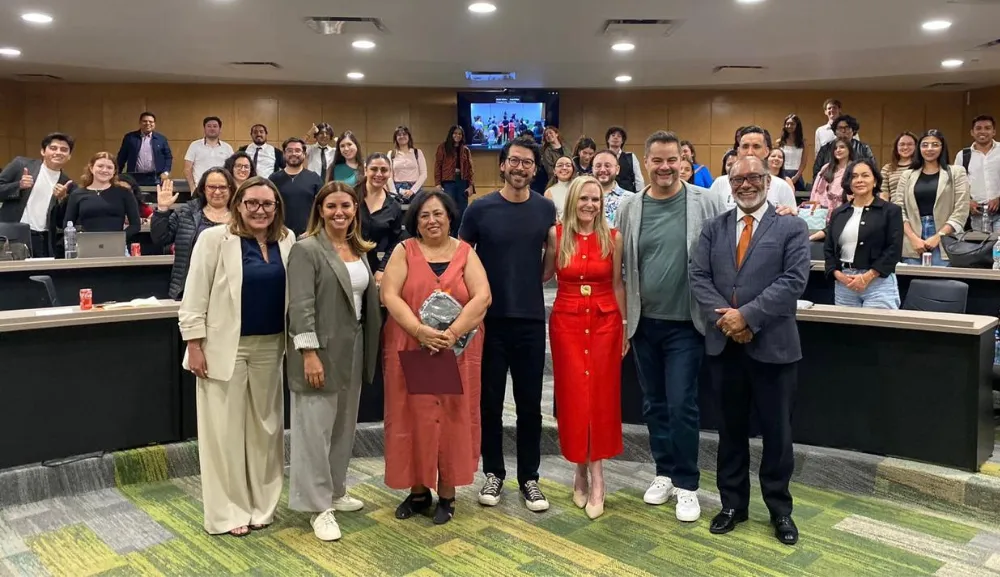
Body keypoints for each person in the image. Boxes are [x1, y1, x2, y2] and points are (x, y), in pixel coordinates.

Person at [689, 155, 810, 546]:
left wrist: (747, 317)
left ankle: (780, 511)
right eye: (737, 178)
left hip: (774, 348)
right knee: (731, 432)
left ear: (767, 180)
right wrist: (728, 321)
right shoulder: (713, 228)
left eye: (753, 177)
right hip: (726, 349)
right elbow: (698, 277)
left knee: (778, 434)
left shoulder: (791, 227)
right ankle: (732, 505)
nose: (745, 184)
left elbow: (793, 281)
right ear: (729, 181)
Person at [614, 131, 727, 523]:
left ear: (684, 161)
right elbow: (622, 266)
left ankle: (688, 484)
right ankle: (663, 473)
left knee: (682, 405)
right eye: (657, 161)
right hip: (645, 324)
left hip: (687, 324)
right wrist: (625, 321)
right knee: (654, 404)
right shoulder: (630, 206)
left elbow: (724, 253)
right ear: (646, 163)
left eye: (672, 160)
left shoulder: (705, 201)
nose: (665, 167)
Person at [178, 176, 294, 537]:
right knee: (223, 433)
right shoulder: (213, 239)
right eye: (252, 203)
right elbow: (193, 296)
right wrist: (194, 345)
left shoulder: (287, 240)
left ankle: (263, 504)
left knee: (266, 430)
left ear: (276, 208)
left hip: (271, 346)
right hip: (222, 349)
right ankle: (228, 512)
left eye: (267, 204)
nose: (260, 210)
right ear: (238, 205)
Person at [381, 190, 491, 525]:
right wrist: (419, 331)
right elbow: (389, 294)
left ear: (450, 217)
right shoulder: (405, 251)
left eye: (438, 214)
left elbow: (482, 296)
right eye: (425, 215)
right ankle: (417, 492)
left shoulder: (465, 252)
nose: (432, 220)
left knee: (452, 420)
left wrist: (452, 333)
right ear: (415, 219)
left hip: (454, 353)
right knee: (413, 418)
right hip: (413, 349)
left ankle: (447, 494)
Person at [459, 136, 556, 512]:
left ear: (535, 169)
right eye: (514, 161)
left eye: (527, 163)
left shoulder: (545, 208)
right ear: (502, 165)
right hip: (490, 323)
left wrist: (536, 280)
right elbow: (462, 261)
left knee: (530, 405)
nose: (520, 168)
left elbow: (550, 261)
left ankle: (529, 478)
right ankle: (493, 472)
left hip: (531, 320)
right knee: (490, 402)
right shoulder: (479, 209)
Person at [286, 181, 381, 542]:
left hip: (354, 346)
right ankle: (316, 507)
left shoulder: (359, 249)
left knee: (343, 425)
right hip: (319, 351)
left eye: (346, 206)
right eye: (331, 207)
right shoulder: (306, 249)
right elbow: (300, 306)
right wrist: (308, 353)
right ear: (320, 210)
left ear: (356, 209)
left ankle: (336, 491)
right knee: (315, 431)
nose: (339, 213)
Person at [544, 176, 626, 520]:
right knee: (575, 396)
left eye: (596, 199)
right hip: (567, 323)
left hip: (606, 322)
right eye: (584, 199)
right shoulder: (556, 236)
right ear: (572, 201)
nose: (590, 205)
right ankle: (579, 466)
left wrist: (624, 328)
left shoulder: (614, 237)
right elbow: (544, 274)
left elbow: (618, 282)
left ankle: (598, 477)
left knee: (602, 398)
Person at [824, 158, 903, 309]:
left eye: (865, 175)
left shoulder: (891, 211)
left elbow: (894, 250)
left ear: (875, 181)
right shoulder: (838, 213)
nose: (859, 180)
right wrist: (838, 275)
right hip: (844, 283)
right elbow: (829, 249)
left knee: (875, 331)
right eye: (854, 176)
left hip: (878, 282)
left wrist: (868, 277)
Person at [151, 167, 233, 299]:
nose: (217, 191)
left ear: (230, 189)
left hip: (228, 289)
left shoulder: (241, 215)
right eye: (211, 187)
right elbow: (160, 239)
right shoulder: (186, 212)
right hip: (190, 288)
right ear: (203, 188)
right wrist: (162, 209)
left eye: (223, 187)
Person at [897, 130, 969, 266]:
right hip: (912, 238)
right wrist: (913, 238)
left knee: (942, 283)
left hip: (946, 237)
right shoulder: (907, 175)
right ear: (919, 148)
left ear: (942, 148)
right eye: (925, 145)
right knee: (913, 283)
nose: (929, 149)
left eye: (935, 144)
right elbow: (899, 209)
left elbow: (961, 210)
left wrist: (938, 237)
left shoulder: (956, 172)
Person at [0, 133, 76, 258]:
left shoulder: (68, 184)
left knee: (40, 276)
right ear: (43, 151)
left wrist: (62, 199)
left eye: (64, 150)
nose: (58, 152)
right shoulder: (21, 165)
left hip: (44, 239)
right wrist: (18, 185)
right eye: (53, 148)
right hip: (12, 235)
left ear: (69, 156)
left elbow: (62, 221)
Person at [710, 126, 797, 210]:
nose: (750, 152)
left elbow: (793, 220)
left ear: (767, 151)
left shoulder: (782, 187)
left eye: (756, 146)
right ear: (738, 151)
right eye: (745, 147)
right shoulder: (720, 184)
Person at [64, 152, 141, 244]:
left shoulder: (124, 193)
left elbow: (135, 225)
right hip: (86, 245)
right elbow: (67, 224)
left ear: (114, 171)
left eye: (109, 167)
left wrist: (118, 239)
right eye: (100, 166)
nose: (104, 170)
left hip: (116, 246)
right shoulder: (77, 194)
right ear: (91, 168)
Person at [358, 153, 404, 285]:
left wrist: (382, 268)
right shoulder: (350, 196)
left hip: (375, 266)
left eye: (384, 170)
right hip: (346, 261)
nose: (379, 174)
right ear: (366, 170)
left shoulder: (394, 206)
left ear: (390, 173)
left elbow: (395, 242)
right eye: (374, 169)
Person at [269, 138, 324, 238]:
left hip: (308, 235)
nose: (293, 153)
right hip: (279, 235)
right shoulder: (273, 179)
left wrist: (313, 229)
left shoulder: (314, 178)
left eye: (298, 150)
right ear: (284, 154)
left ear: (304, 154)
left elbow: (322, 207)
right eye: (289, 150)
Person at [955, 115, 1000, 232]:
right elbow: (956, 184)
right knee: (980, 249)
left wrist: (999, 198)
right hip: (976, 214)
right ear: (972, 132)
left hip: (999, 212)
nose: (983, 131)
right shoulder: (963, 155)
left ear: (993, 131)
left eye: (987, 128)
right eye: (978, 128)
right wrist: (967, 202)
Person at [807, 137, 856, 241]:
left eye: (842, 147)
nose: (838, 150)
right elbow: (816, 190)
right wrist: (815, 205)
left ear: (849, 150)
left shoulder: (855, 168)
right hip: (825, 211)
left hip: (845, 210)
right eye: (835, 148)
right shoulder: (826, 167)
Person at [435, 126, 475, 234]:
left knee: (462, 210)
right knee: (449, 209)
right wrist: (438, 183)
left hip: (462, 181)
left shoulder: (465, 150)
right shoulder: (443, 147)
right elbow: (438, 166)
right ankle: (448, 234)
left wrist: (471, 186)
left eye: (460, 134)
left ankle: (458, 235)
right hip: (448, 182)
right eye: (455, 133)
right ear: (451, 134)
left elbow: (470, 169)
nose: (457, 136)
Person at [812, 115, 875, 183]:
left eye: (847, 128)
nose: (843, 131)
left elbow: (872, 170)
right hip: (830, 186)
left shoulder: (863, 148)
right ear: (835, 131)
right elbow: (817, 173)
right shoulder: (825, 149)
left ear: (853, 130)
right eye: (840, 128)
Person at [116, 111, 172, 187]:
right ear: (140, 123)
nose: (148, 123)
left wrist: (165, 172)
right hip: (134, 177)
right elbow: (122, 157)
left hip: (156, 177)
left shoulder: (161, 139)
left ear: (154, 124)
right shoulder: (130, 138)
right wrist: (116, 174)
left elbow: (168, 157)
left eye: (151, 121)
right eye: (145, 121)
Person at [183, 116, 233, 193]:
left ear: (220, 129)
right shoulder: (194, 145)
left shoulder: (227, 147)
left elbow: (232, 169)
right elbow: (187, 169)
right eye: (209, 126)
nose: (212, 128)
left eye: (215, 126)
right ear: (204, 129)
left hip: (221, 189)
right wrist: (193, 188)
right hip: (200, 189)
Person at [592, 150, 633, 226]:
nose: (603, 170)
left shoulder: (630, 199)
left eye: (607, 166)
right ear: (592, 169)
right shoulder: (582, 197)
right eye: (598, 166)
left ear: (617, 169)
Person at [386, 125, 427, 201]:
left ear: (409, 137)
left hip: (415, 189)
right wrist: (394, 193)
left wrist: (412, 191)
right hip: (397, 189)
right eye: (399, 135)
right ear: (395, 138)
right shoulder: (391, 154)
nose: (402, 136)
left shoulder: (417, 152)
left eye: (404, 134)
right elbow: (389, 176)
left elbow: (424, 174)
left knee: (415, 212)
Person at [880, 132, 917, 202]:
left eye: (910, 144)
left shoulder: (921, 166)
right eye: (902, 144)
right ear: (896, 147)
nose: (905, 147)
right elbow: (884, 195)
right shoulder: (887, 168)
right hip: (895, 209)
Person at [605, 126, 644, 192]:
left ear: (622, 141)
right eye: (613, 135)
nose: (615, 137)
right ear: (608, 140)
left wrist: (640, 195)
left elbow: (639, 179)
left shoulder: (631, 157)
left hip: (628, 196)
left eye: (619, 136)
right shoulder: (602, 157)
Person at [778, 114, 806, 190]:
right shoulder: (779, 142)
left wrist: (797, 176)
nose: (789, 126)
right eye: (787, 124)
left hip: (797, 174)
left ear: (797, 125)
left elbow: (803, 162)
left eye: (792, 124)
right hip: (782, 173)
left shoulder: (803, 143)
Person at [543, 155, 576, 221]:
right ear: (554, 171)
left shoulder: (580, 187)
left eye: (568, 165)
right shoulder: (549, 192)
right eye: (560, 165)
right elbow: (551, 219)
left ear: (573, 169)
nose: (564, 168)